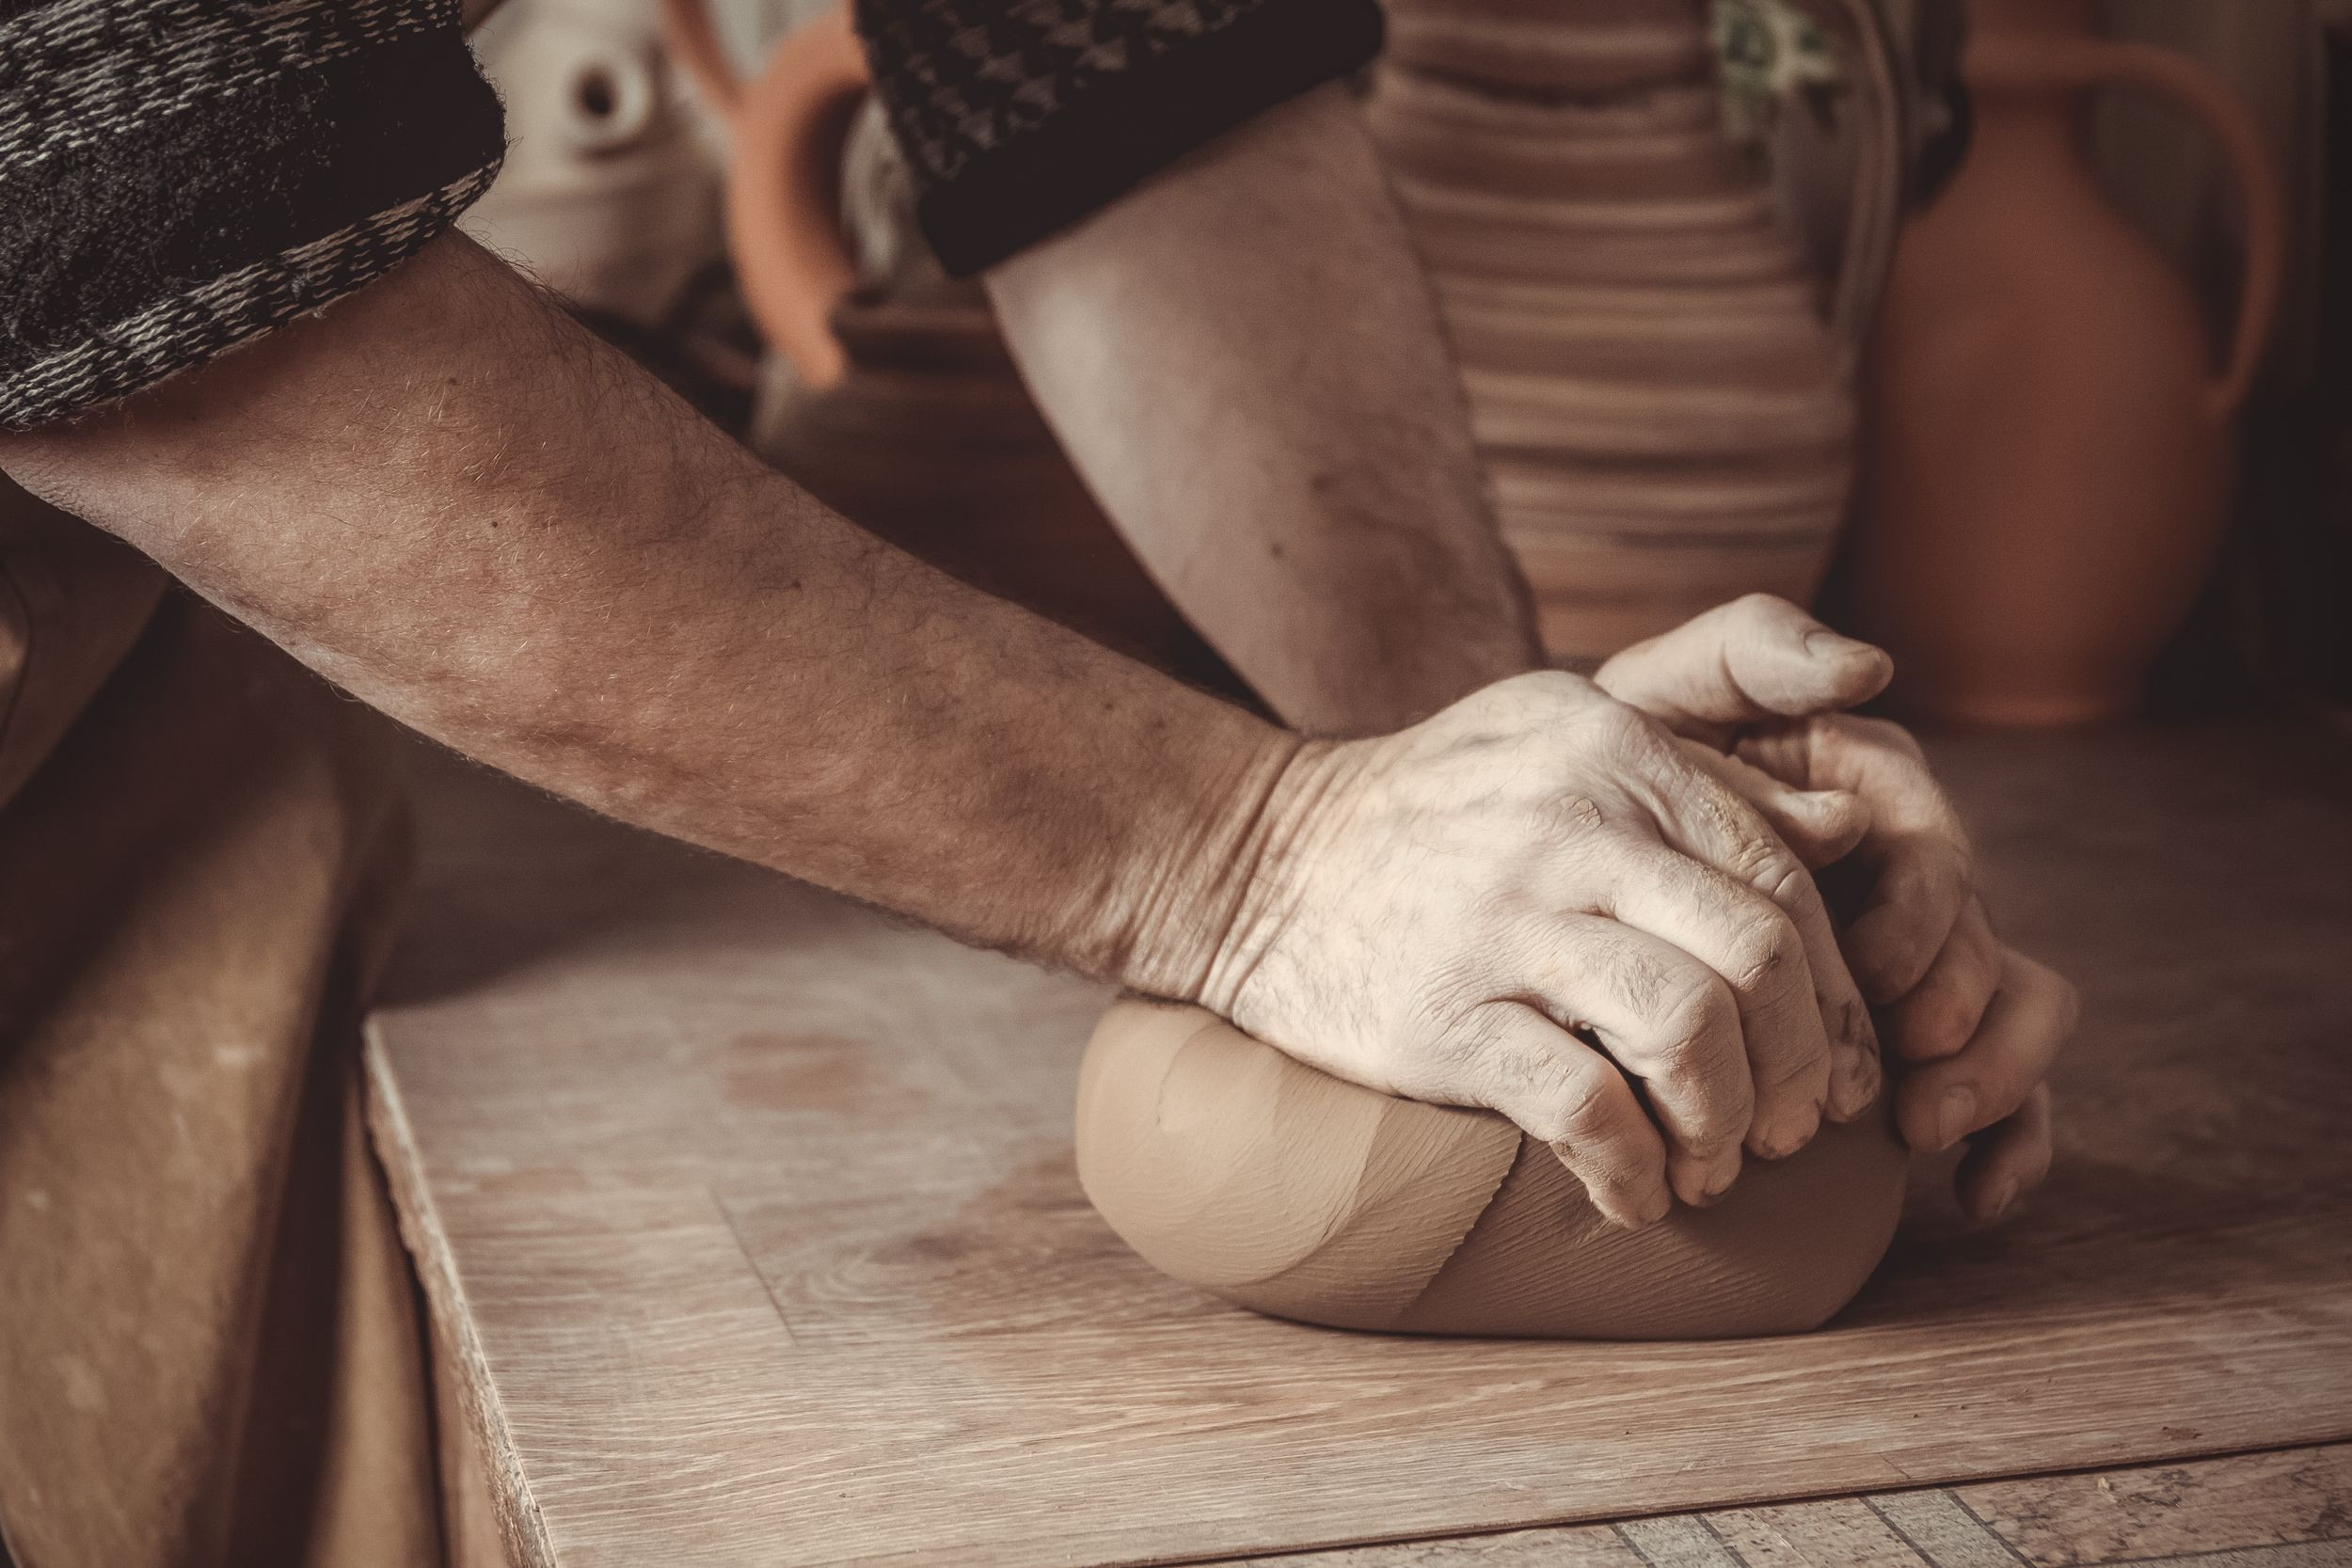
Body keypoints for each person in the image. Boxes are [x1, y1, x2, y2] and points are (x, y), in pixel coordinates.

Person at [0, 1, 2071, 1564]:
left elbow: (1110, 67)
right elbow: (87, 213)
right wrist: (1249, 864)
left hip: (160, 670)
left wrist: (1514, 809)